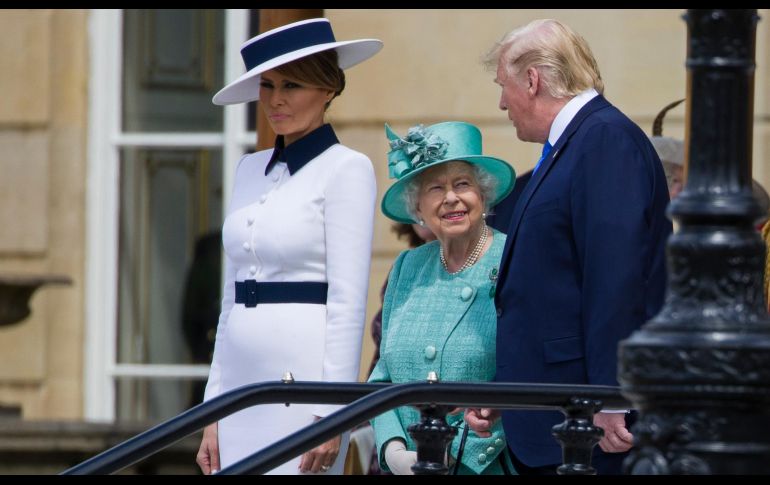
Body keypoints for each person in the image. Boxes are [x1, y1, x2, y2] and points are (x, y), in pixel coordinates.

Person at [465, 19, 672, 475]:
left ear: (533, 80)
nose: (502, 102)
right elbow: (551, 290)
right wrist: (507, 390)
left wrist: (610, 394)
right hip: (556, 414)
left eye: (504, 86)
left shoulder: (603, 139)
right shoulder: (577, 144)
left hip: (588, 424)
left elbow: (616, 275)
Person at [195, 18, 382, 475]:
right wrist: (211, 410)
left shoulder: (347, 169)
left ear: (328, 88)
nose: (275, 100)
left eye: (292, 85)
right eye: (267, 85)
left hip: (303, 384)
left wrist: (333, 413)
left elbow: (347, 302)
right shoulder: (248, 168)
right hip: (239, 383)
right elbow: (229, 298)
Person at [368, 121, 517, 475]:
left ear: (483, 194)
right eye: (436, 188)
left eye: (462, 184)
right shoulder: (408, 266)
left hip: (483, 464)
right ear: (418, 207)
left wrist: (469, 450)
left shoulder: (514, 258)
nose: (451, 198)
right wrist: (393, 451)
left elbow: (529, 368)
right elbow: (382, 379)